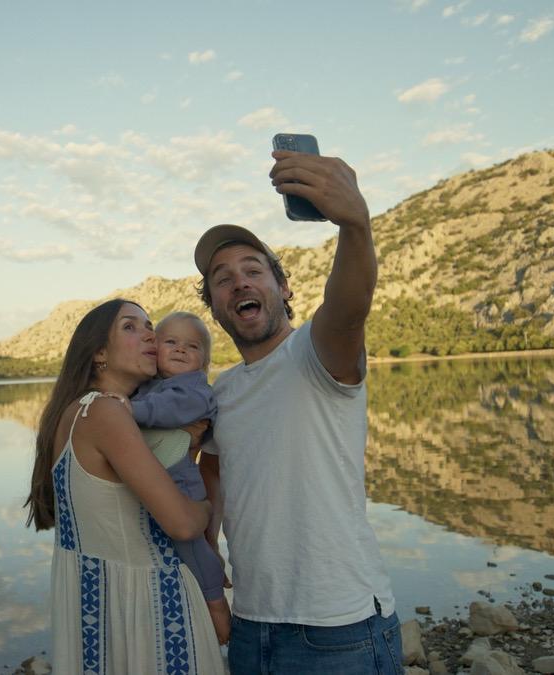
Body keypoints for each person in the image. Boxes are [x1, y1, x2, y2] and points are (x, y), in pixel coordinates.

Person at [195, 149, 403, 674]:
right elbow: (215, 467)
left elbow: (349, 305)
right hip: (252, 624)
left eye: (252, 270)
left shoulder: (315, 351)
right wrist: (207, 548)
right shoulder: (222, 391)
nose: (239, 282)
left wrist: (354, 226)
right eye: (222, 278)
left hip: (340, 629)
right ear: (215, 306)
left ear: (283, 288)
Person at [25, 298, 226, 674]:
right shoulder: (106, 411)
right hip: (152, 610)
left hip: (98, 605)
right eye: (130, 327)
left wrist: (185, 443)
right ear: (99, 352)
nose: (149, 335)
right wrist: (204, 510)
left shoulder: (78, 410)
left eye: (150, 326)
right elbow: (182, 523)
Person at [128, 311, 231, 644]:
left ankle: (216, 603)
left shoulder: (195, 389)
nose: (181, 349)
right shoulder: (148, 384)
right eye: (170, 342)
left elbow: (166, 410)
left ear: (204, 361)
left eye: (193, 346)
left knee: (191, 545)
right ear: (155, 349)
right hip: (156, 483)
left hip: (183, 485)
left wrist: (125, 410)